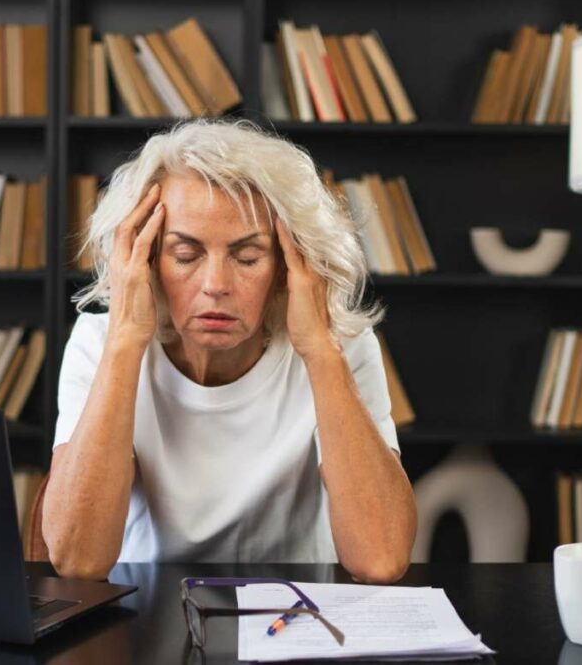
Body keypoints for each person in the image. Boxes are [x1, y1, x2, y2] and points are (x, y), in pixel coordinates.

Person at [42, 118, 417, 584]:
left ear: (288, 265)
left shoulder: (343, 349)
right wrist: (124, 343)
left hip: (294, 621)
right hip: (148, 619)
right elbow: (77, 560)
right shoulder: (99, 342)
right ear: (144, 260)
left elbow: (380, 559)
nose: (216, 286)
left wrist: (320, 350)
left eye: (247, 257)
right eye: (185, 255)